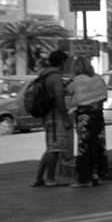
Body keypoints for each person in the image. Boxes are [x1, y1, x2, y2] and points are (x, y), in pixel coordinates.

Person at [31, 49, 73, 188]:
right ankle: (50, 178)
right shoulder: (55, 77)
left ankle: (39, 178)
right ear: (62, 62)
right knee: (54, 149)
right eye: (66, 61)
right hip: (55, 117)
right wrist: (65, 118)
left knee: (50, 148)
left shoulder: (44, 74)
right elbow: (59, 99)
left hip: (47, 116)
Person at [67, 57, 109, 187]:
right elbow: (104, 97)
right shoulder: (98, 79)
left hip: (83, 117)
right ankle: (97, 175)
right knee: (98, 145)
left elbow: (68, 94)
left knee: (84, 146)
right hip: (98, 116)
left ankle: (84, 178)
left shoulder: (75, 81)